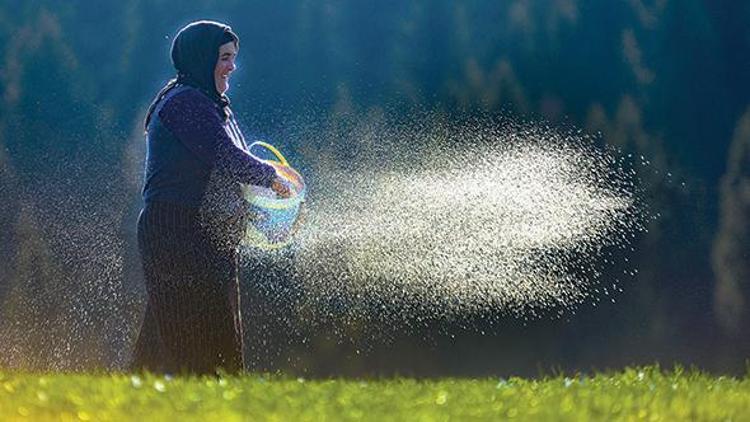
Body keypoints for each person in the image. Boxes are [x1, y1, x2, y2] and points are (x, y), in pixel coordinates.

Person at [131, 20, 290, 375]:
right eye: (224, 58)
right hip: (177, 231)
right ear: (201, 59)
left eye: (233, 57)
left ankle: (134, 398)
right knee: (194, 338)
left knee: (171, 335)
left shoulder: (209, 103)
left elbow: (227, 177)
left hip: (204, 234)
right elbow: (223, 156)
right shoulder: (185, 102)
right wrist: (271, 177)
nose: (232, 66)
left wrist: (261, 217)